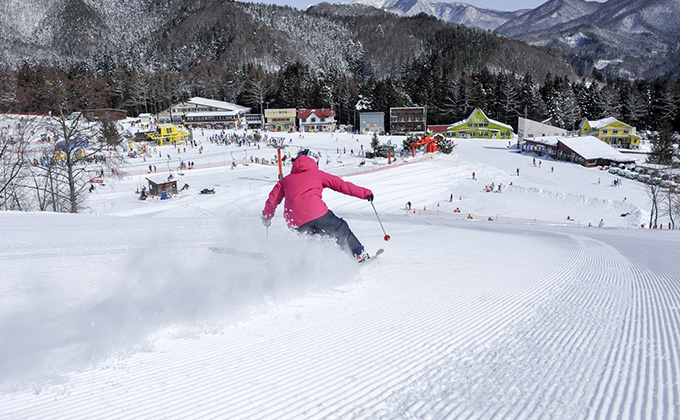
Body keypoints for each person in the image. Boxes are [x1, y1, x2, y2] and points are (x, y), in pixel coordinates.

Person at [262, 149, 374, 261]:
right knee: (340, 228)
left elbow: (272, 201)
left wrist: (266, 217)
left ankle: (319, 263)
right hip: (316, 212)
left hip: (294, 220)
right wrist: (365, 193)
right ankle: (358, 254)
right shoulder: (318, 174)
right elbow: (343, 186)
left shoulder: (285, 180)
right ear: (315, 162)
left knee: (316, 240)